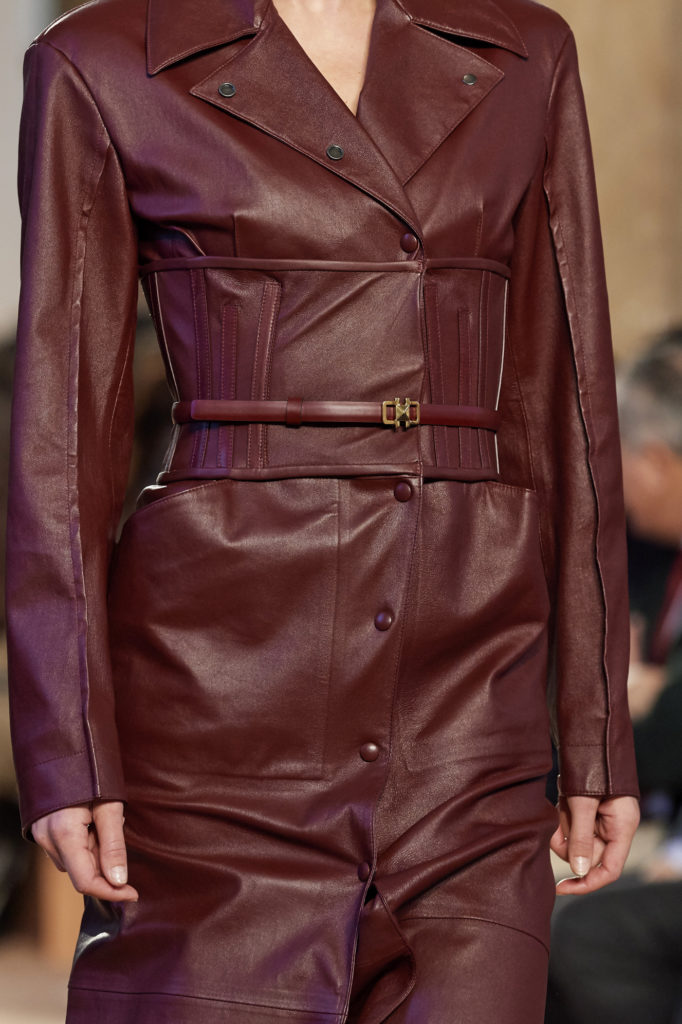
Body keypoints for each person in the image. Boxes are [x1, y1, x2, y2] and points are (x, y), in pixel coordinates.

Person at [6, 0, 640, 1021]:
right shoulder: (101, 61)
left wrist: (596, 728)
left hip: (468, 701)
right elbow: (59, 435)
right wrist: (66, 749)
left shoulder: (523, 53)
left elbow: (564, 404)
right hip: (220, 701)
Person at [545, 334, 682, 1024]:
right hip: (649, 820)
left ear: (656, 460)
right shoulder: (652, 558)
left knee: (581, 934)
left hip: (663, 834)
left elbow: (662, 740)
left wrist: (635, 702)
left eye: (624, 457)